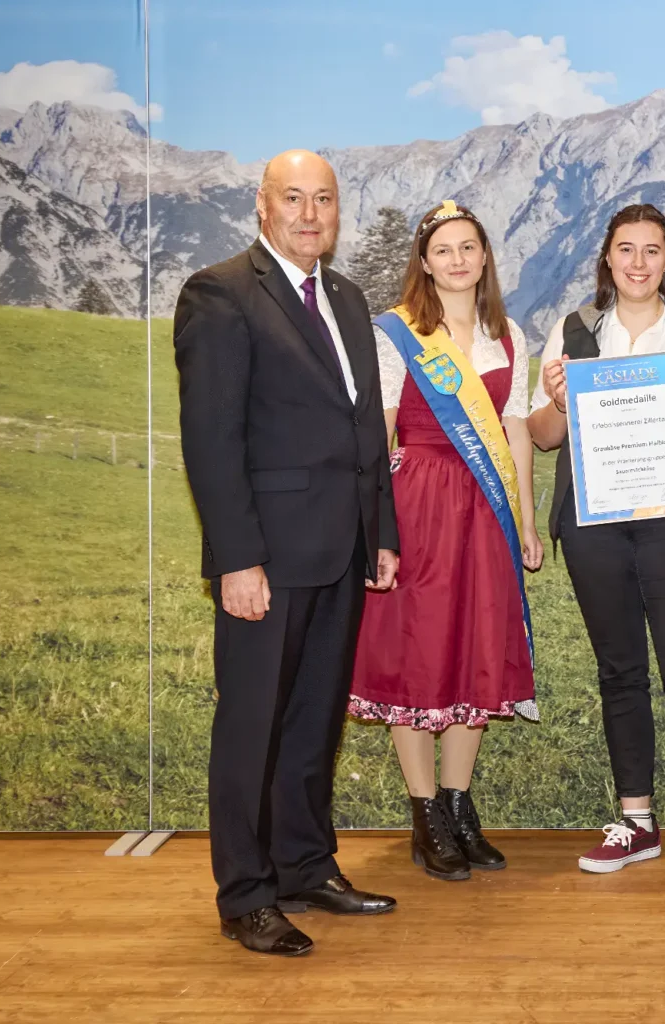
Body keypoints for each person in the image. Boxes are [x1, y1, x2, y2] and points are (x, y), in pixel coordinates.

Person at [173, 150, 399, 957]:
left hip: (340, 550)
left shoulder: (343, 295)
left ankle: (305, 864)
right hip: (265, 556)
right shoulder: (221, 293)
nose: (311, 213)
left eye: (324, 200)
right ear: (261, 207)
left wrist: (382, 533)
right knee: (251, 727)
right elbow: (212, 439)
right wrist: (237, 558)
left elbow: (363, 425)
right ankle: (246, 895)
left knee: (311, 725)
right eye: (293, 198)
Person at [528, 204, 665, 896]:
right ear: (607, 258)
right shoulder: (571, 332)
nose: (639, 263)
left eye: (653, 251)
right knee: (620, 672)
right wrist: (560, 400)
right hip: (595, 526)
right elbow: (540, 435)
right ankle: (637, 820)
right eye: (627, 249)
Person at [347, 201, 541, 881]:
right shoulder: (398, 334)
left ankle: (460, 807)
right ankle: (425, 814)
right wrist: (382, 526)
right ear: (424, 263)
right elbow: (382, 429)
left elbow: (516, 433)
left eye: (469, 248)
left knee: (475, 651)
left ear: (485, 257)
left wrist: (525, 520)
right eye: (444, 250)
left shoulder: (508, 335)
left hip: (485, 508)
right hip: (423, 502)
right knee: (420, 651)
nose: (458, 260)